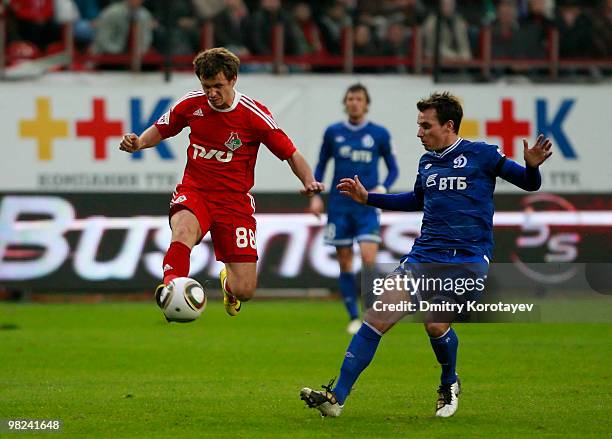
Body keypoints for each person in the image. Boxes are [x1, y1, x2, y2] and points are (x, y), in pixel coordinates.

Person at [300, 92, 552, 418]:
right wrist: (369, 198)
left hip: (468, 257)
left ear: (448, 125)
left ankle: (449, 381)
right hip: (424, 254)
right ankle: (336, 399)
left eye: (425, 126)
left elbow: (528, 183)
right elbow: (415, 199)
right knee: (377, 316)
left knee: (435, 324)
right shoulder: (427, 161)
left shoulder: (483, 154)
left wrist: (532, 168)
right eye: (419, 125)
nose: (419, 132)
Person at [119, 47, 323, 316]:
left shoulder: (253, 115)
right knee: (182, 232)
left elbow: (291, 154)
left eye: (217, 86)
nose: (211, 93)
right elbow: (160, 129)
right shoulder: (192, 104)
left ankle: (228, 284)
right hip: (195, 191)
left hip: (234, 202)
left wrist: (309, 181)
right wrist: (138, 143)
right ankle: (172, 287)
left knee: (246, 289)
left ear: (233, 80)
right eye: (206, 86)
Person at [310, 84, 399, 334]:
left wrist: (384, 186)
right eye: (350, 98)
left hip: (367, 205)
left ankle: (370, 311)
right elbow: (321, 164)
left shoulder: (379, 134)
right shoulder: (333, 132)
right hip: (339, 206)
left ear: (366, 104)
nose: (354, 102)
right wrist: (316, 195)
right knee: (345, 261)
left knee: (369, 258)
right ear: (345, 103)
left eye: (358, 98)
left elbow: (393, 168)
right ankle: (352, 316)